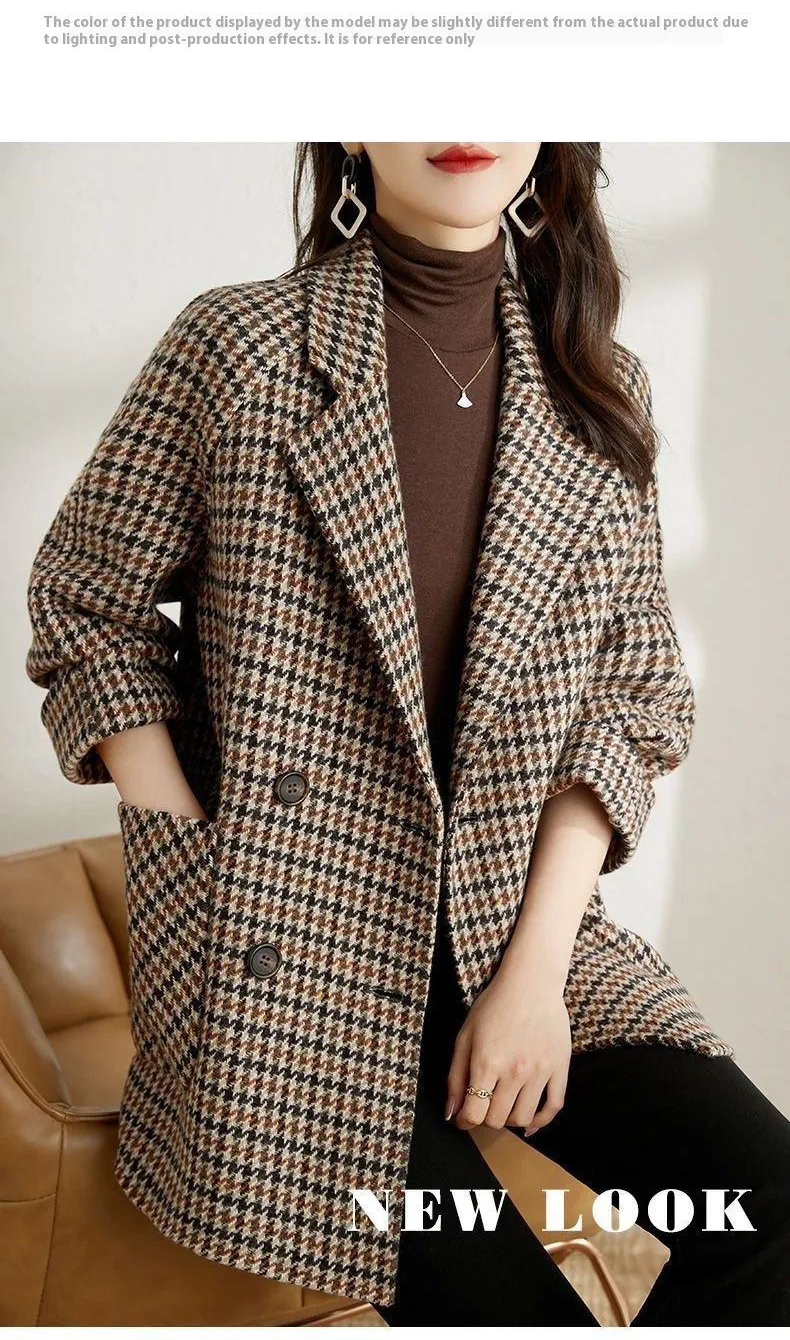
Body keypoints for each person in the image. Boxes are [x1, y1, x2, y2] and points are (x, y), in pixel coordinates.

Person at [25, 142, 790, 1325]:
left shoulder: (595, 383)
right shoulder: (241, 347)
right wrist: (184, 837)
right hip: (287, 959)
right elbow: (87, 599)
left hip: (518, 934)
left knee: (768, 1211)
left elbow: (632, 695)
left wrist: (533, 979)